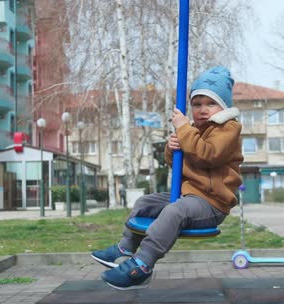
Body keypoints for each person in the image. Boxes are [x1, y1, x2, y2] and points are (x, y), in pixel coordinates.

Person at [91, 66, 244, 290]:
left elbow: (207, 156)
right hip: (190, 195)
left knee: (175, 211)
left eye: (211, 103)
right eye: (197, 104)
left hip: (212, 203)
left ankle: (143, 265)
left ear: (224, 105)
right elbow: (178, 165)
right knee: (145, 203)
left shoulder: (228, 129)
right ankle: (125, 248)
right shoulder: (193, 130)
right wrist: (172, 149)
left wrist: (184, 129)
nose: (203, 110)